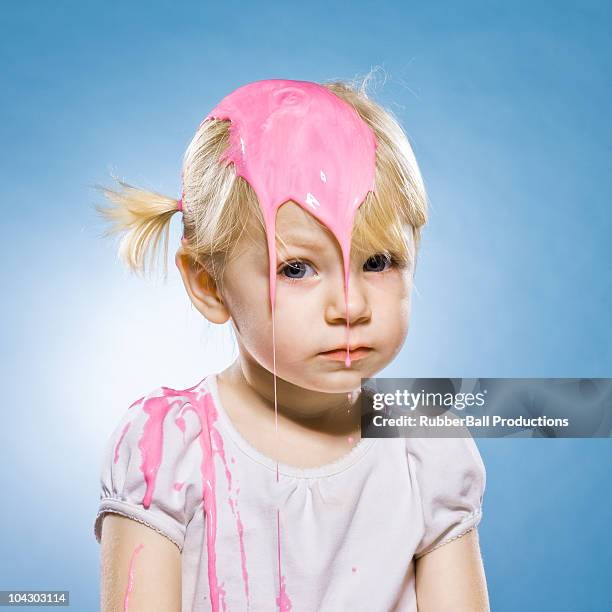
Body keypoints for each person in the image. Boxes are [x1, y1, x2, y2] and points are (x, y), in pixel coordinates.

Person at [93, 77, 489, 612]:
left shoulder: (424, 450)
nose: (350, 306)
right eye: (297, 269)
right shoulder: (169, 452)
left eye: (378, 262)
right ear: (209, 284)